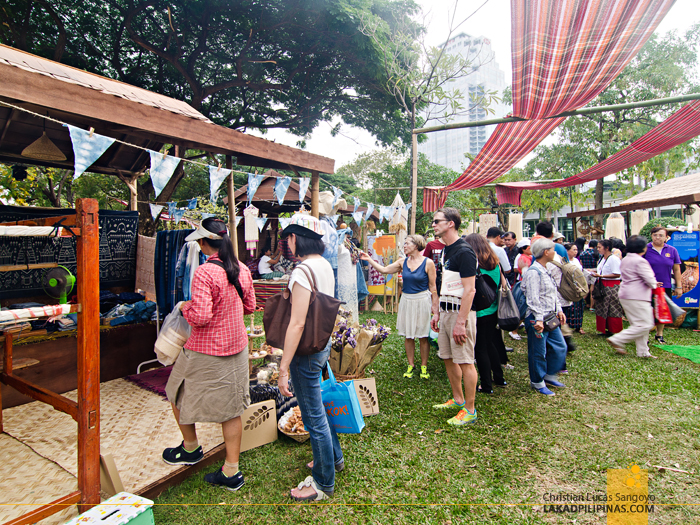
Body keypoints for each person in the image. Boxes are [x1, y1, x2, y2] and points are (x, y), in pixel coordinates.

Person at [163, 218, 256, 492]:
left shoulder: (204, 272)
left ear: (205, 243)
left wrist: (185, 309)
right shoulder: (242, 270)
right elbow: (250, 306)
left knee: (176, 391)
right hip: (237, 349)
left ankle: (191, 448)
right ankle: (231, 471)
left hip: (206, 349)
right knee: (231, 410)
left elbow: (201, 316)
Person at [276, 214, 343, 502]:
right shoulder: (323, 265)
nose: (287, 244)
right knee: (317, 410)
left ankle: (323, 483)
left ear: (296, 238)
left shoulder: (302, 270)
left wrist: (282, 368)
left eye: (288, 238)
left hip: (305, 352)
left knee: (313, 415)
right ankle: (333, 459)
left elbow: (297, 323)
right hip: (322, 345)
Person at [360, 235, 438, 379]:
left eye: (407, 243)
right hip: (407, 300)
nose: (404, 246)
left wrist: (435, 306)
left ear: (416, 245)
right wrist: (369, 259)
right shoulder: (402, 262)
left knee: (423, 335)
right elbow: (384, 270)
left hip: (422, 300)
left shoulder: (428, 263)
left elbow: (433, 286)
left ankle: (424, 366)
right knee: (409, 335)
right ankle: (410, 365)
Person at [430, 207, 479, 426]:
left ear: (451, 223)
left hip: (462, 313)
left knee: (465, 360)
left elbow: (470, 290)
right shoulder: (446, 250)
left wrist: (461, 321)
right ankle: (458, 399)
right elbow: (445, 285)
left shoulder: (465, 251)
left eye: (437, 221)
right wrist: (437, 312)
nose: (433, 225)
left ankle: (470, 409)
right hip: (446, 311)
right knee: (447, 357)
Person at [521, 239, 568, 396]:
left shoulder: (545, 269)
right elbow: (533, 298)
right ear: (546, 252)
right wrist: (538, 319)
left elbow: (552, 294)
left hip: (550, 316)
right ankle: (537, 381)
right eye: (553, 249)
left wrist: (559, 310)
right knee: (538, 352)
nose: (556, 252)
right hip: (537, 318)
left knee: (560, 347)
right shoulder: (534, 272)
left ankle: (549, 375)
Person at [465, 234, 507, 394]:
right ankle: (499, 377)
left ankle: (486, 384)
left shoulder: (475, 265)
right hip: (493, 309)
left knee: (480, 348)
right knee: (490, 344)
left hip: (479, 311)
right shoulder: (495, 263)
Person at [607, 236, 659, 358]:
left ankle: (643, 352)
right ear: (643, 248)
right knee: (646, 324)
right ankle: (618, 339)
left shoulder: (625, 259)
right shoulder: (640, 261)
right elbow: (650, 280)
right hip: (638, 295)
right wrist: (654, 283)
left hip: (626, 294)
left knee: (639, 324)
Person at [643, 227, 682, 344]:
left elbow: (676, 269)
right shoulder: (645, 249)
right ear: (651, 236)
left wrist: (679, 286)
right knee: (647, 310)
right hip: (647, 286)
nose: (658, 237)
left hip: (665, 285)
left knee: (663, 310)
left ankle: (659, 334)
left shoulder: (672, 250)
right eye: (655, 235)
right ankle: (645, 335)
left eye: (661, 235)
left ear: (666, 237)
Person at [592, 239, 623, 335]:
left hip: (611, 286)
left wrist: (601, 276)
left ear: (607, 248)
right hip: (602, 285)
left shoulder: (613, 259)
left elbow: (617, 274)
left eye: (600, 247)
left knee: (612, 307)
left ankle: (614, 329)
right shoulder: (602, 258)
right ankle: (604, 328)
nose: (598, 249)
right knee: (602, 307)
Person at [564, 243, 585, 334]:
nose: (575, 252)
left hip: (578, 285)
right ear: (567, 251)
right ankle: (568, 324)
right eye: (573, 250)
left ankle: (578, 326)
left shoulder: (576, 260)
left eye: (576, 250)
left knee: (579, 306)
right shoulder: (564, 261)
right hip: (569, 286)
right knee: (570, 307)